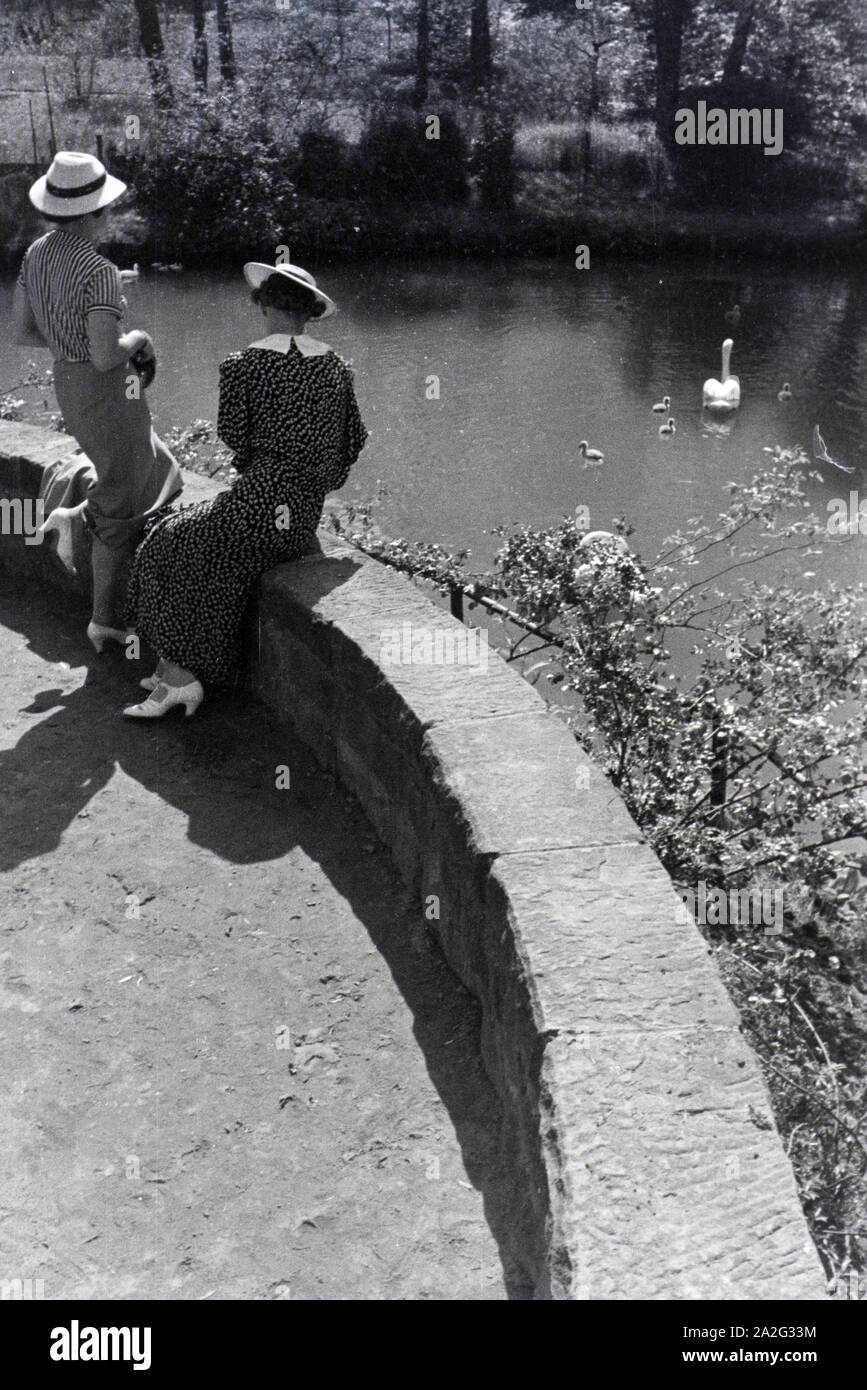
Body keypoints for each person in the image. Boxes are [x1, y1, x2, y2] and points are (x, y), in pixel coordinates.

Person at [122, 261, 368, 720]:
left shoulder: (244, 364)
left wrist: (268, 471)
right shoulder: (337, 367)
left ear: (265, 304)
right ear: (308, 313)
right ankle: (174, 668)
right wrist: (312, 480)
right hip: (300, 515)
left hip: (258, 501)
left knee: (170, 542)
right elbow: (354, 439)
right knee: (186, 539)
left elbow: (235, 434)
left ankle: (180, 678)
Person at [12, 151, 182, 651]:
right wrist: (139, 337)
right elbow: (110, 357)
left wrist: (73, 343)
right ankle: (104, 618)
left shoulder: (35, 254)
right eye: (106, 208)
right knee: (124, 501)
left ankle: (73, 515)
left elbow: (22, 333)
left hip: (70, 385)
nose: (110, 215)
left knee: (159, 465)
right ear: (93, 213)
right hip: (109, 391)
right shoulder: (99, 270)